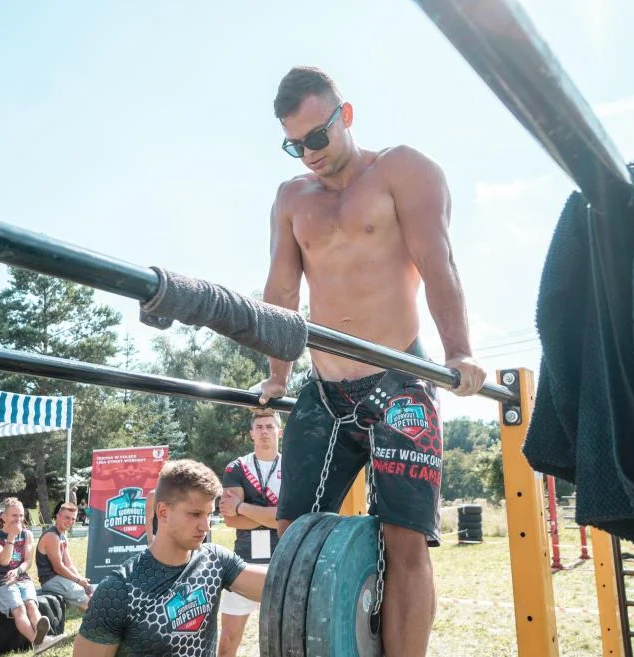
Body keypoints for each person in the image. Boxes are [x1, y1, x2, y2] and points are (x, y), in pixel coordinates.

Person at [255, 66, 488, 657]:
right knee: (292, 538)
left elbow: (439, 264)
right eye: (294, 143)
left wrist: (459, 350)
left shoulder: (403, 170)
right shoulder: (290, 198)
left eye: (317, 137)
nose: (308, 153)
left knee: (403, 542)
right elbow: (281, 294)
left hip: (399, 380)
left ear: (346, 116)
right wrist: (278, 375)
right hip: (325, 389)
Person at [73, 459, 267, 657]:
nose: (205, 526)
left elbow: (276, 585)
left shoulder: (214, 561)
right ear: (163, 512)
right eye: (195, 514)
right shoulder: (119, 591)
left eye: (208, 514)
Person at [217, 411, 283, 657]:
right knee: (228, 639)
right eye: (259, 427)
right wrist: (270, 516)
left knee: (280, 638)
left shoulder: (292, 466)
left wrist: (242, 507)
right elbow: (230, 519)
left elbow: (287, 518)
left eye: (269, 426)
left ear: (279, 432)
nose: (264, 431)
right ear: (251, 433)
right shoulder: (237, 467)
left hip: (281, 561)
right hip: (243, 562)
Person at [0, 498, 51, 647]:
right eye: (14, 515)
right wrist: (12, 537)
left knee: (31, 605)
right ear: (4, 517)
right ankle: (38, 643)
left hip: (23, 578)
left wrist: (18, 570)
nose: (19, 519)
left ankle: (43, 639)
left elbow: (28, 561)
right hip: (3, 583)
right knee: (19, 609)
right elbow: (4, 561)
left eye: (21, 515)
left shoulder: (27, 535)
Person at [36, 502, 92, 611]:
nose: (70, 522)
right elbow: (59, 567)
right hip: (50, 580)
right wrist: (78, 581)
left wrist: (81, 580)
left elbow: (69, 564)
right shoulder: (52, 536)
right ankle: (100, 626)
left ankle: (90, 625)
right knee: (88, 601)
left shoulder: (62, 536)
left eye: (73, 519)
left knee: (87, 593)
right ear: (58, 516)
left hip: (59, 578)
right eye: (67, 517)